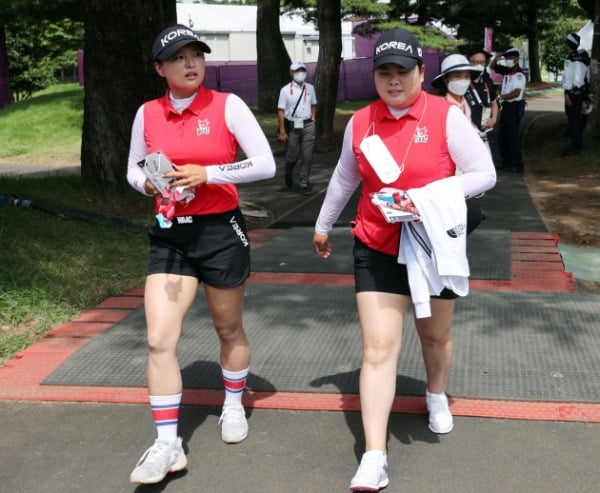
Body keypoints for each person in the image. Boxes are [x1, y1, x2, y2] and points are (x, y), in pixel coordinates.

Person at [312, 28, 496, 492]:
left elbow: (483, 174)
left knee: (434, 336)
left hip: (434, 245)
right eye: (384, 72)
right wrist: (322, 223)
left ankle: (436, 394)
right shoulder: (361, 121)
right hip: (375, 244)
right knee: (377, 349)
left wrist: (429, 197)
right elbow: (343, 177)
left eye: (402, 72)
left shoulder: (447, 116)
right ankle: (375, 455)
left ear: (420, 73)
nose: (393, 81)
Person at [126, 25, 275, 484]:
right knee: (158, 340)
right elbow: (132, 167)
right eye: (179, 58)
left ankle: (233, 403)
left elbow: (265, 163)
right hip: (171, 234)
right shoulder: (147, 112)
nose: (191, 64)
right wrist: (145, 182)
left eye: (197, 55)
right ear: (160, 69)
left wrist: (209, 173)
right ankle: (167, 444)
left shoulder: (227, 105)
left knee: (227, 327)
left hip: (220, 232)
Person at [431, 53, 487, 234]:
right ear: (446, 79)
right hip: (446, 175)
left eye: (466, 76)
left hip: (466, 173)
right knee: (468, 216)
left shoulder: (468, 102)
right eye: (457, 76)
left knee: (468, 217)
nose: (462, 81)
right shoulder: (440, 107)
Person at [277, 62, 317, 195]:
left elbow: (314, 105)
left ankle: (303, 182)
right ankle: (288, 171)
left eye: (302, 70)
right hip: (294, 124)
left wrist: (313, 118)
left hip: (308, 124)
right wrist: (282, 130)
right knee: (292, 155)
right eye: (297, 71)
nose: (300, 73)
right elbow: (281, 111)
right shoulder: (285, 90)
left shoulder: (310, 88)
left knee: (307, 155)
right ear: (291, 73)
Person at [490, 47, 526, 172]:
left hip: (514, 107)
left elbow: (516, 93)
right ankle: (507, 162)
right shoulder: (507, 71)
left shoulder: (519, 74)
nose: (508, 60)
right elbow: (492, 67)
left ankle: (517, 163)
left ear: (516, 58)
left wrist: (501, 97)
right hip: (506, 106)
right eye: (507, 58)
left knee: (512, 136)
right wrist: (497, 57)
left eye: (510, 57)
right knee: (502, 136)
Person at [465, 48, 499, 157]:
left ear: (485, 64)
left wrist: (493, 119)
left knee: (485, 167)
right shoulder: (463, 82)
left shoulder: (487, 81)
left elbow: (493, 103)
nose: (478, 65)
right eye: (474, 62)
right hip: (466, 133)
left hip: (484, 133)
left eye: (481, 62)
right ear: (469, 62)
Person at [561, 32, 588, 156]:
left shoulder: (570, 59)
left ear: (568, 45)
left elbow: (568, 78)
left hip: (572, 93)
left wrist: (567, 94)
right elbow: (584, 77)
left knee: (573, 121)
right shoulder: (582, 58)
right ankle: (578, 145)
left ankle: (575, 147)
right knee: (578, 120)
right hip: (581, 92)